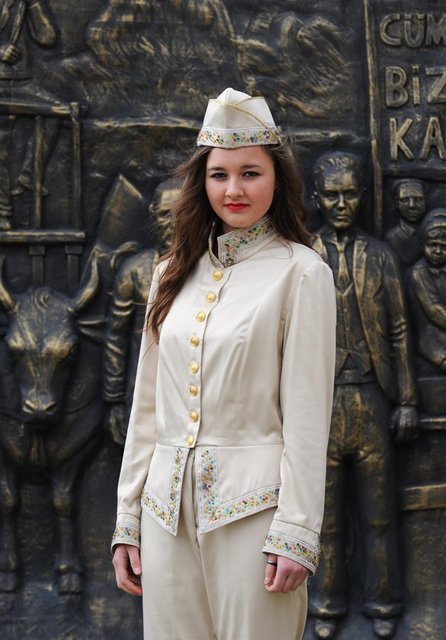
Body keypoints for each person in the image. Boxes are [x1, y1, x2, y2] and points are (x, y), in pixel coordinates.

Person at [111, 87, 336, 640]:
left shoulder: (302, 273)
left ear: (276, 179)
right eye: (219, 175)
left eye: (250, 173)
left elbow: (308, 418)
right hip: (164, 516)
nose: (234, 189)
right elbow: (147, 409)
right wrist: (128, 519)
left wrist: (296, 531)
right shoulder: (170, 273)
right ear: (202, 181)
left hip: (254, 515)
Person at [310, 152, 418, 640]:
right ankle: (325, 604)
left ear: (362, 197)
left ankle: (384, 602)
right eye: (332, 194)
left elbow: (399, 329)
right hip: (319, 403)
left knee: (379, 514)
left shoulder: (381, 257)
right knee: (325, 517)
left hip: (373, 399)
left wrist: (408, 400)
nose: (341, 203)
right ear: (316, 198)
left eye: (350, 194)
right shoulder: (300, 256)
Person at [408, 208, 446, 374]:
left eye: (443, 247)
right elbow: (435, 311)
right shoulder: (419, 273)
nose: (438, 251)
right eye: (433, 245)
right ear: (424, 244)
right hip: (433, 342)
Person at [385, 178, 427, 267]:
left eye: (418, 199)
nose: (412, 205)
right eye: (405, 200)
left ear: (425, 201)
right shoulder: (391, 239)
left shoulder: (432, 234)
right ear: (396, 203)